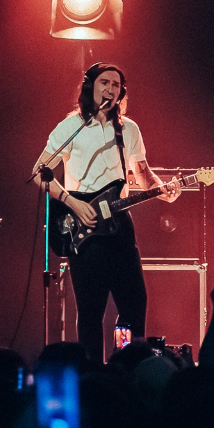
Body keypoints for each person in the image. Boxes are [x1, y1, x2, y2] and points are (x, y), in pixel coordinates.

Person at [29, 63, 178, 364]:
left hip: (120, 223)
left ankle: (130, 368)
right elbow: (38, 172)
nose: (111, 89)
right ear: (90, 88)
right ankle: (92, 375)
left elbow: (143, 171)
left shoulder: (129, 129)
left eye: (116, 85)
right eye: (104, 83)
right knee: (90, 311)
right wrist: (73, 202)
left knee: (135, 303)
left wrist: (164, 188)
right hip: (84, 224)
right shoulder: (71, 127)